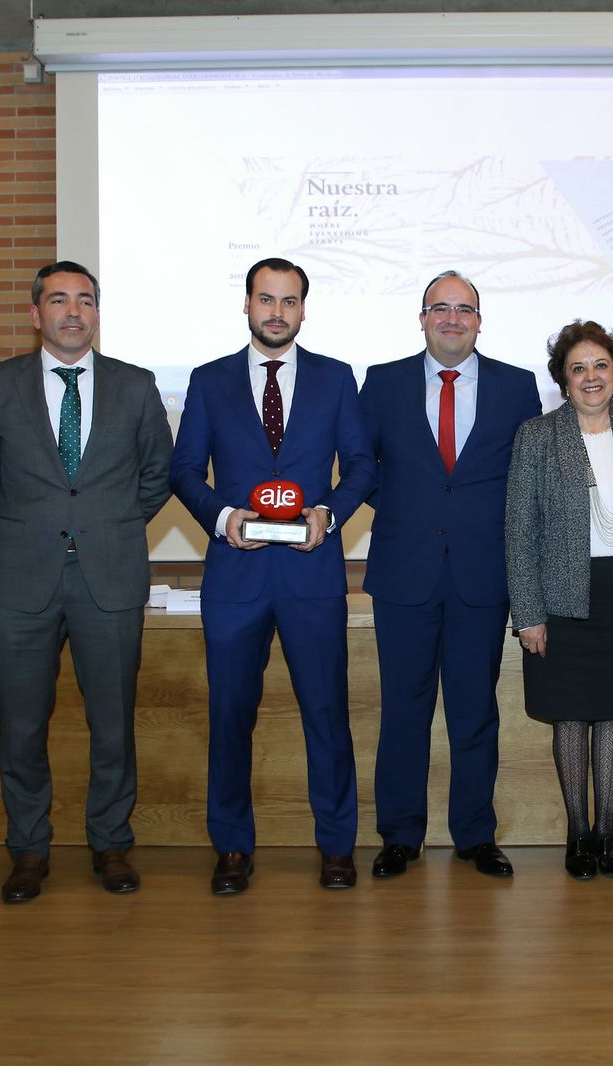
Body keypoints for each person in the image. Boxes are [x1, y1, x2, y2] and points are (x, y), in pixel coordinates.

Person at [0, 261, 173, 903]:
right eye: (59, 300)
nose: (73, 311)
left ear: (97, 312)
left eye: (85, 300)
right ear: (36, 315)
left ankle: (111, 842)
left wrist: (102, 524)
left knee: (113, 724)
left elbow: (157, 475)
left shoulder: (136, 386)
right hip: (24, 578)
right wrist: (39, 525)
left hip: (110, 576)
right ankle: (28, 850)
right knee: (21, 725)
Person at [170, 257, 375, 893]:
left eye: (289, 301)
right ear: (248, 304)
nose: (277, 312)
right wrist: (223, 515)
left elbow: (363, 467)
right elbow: (183, 472)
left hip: (312, 575)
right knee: (230, 714)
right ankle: (231, 847)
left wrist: (331, 512)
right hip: (236, 577)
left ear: (304, 310)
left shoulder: (336, 378)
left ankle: (337, 845)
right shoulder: (208, 382)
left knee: (326, 713)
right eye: (266, 299)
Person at [358, 271, 541, 880]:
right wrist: (415, 512)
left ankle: (475, 834)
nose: (453, 318)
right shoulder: (380, 383)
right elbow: (363, 467)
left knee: (474, 709)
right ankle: (400, 835)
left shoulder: (517, 387)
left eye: (465, 309)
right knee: (403, 709)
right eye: (441, 307)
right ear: (422, 317)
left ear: (480, 321)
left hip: (482, 575)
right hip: (404, 570)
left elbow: (526, 482)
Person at [505, 320, 613, 880]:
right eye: (578, 368)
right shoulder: (536, 436)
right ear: (563, 380)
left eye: (600, 365)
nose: (590, 376)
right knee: (570, 719)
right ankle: (578, 833)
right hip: (558, 599)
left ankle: (608, 832)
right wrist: (527, 613)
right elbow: (519, 530)